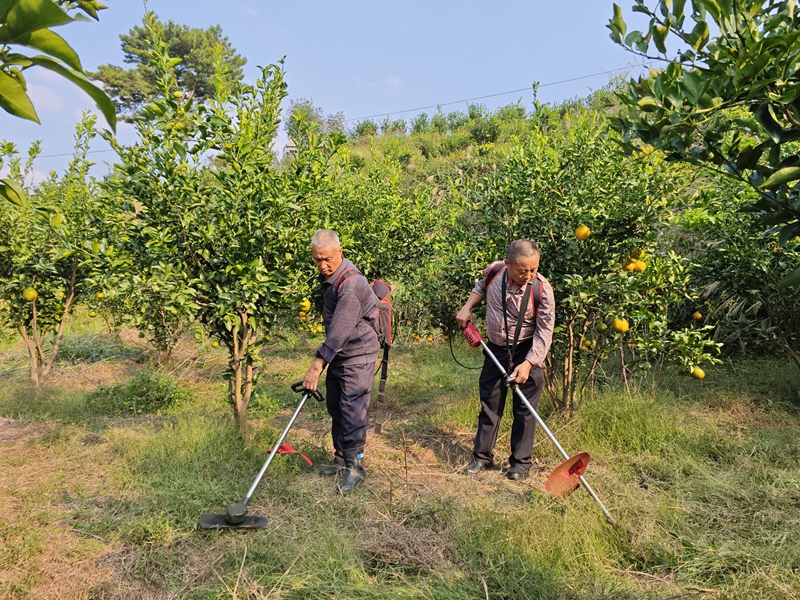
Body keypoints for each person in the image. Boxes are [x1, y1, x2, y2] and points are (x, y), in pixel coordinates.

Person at [455, 239, 555, 480]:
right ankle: (481, 458)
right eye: (523, 270)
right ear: (507, 264)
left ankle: (520, 464)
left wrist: (529, 363)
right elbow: (480, 288)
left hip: (526, 351)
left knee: (525, 409)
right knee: (489, 403)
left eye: (534, 269)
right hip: (495, 349)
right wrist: (467, 307)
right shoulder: (494, 272)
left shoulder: (542, 290)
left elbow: (544, 333)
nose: (529, 275)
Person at [302, 229, 380, 495]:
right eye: (316, 260)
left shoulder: (351, 285)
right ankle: (340, 460)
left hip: (357, 352)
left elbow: (338, 332)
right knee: (336, 404)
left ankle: (356, 467)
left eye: (327, 259)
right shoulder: (331, 276)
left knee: (352, 410)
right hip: (341, 353)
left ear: (340, 252)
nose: (322, 266)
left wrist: (315, 366)